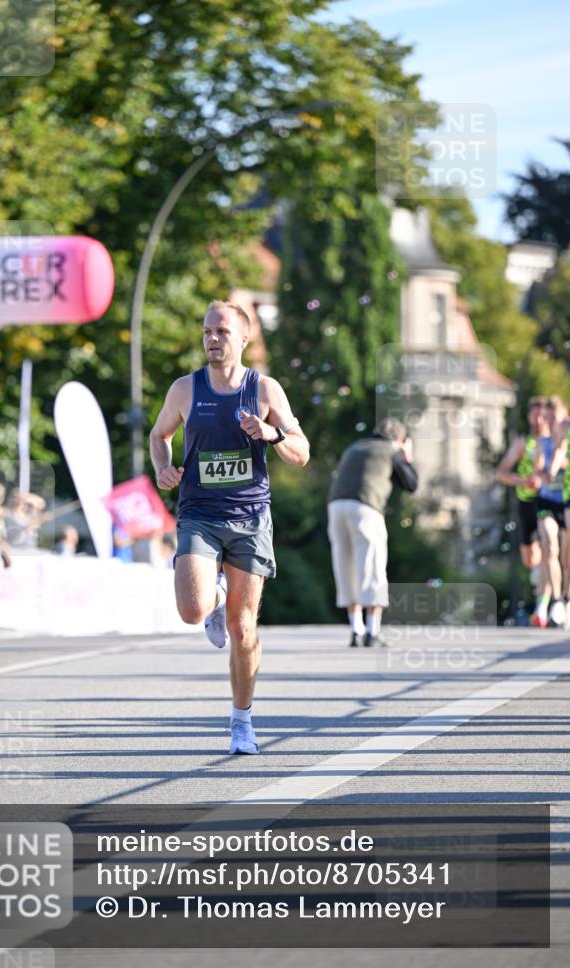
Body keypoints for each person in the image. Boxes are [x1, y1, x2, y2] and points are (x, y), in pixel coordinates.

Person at [149, 299, 309, 755]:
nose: (212, 339)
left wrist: (272, 433)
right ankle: (215, 594)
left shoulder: (265, 389)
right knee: (192, 610)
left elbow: (302, 451)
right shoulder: (185, 389)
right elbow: (159, 434)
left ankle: (242, 722)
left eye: (222, 331)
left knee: (244, 630)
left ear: (244, 338)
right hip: (199, 512)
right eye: (206, 332)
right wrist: (164, 467)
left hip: (250, 516)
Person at [327, 418, 418, 647]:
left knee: (345, 566)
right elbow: (411, 484)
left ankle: (355, 629)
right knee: (372, 566)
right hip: (365, 508)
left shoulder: (355, 446)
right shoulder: (392, 450)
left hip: (335, 507)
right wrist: (407, 457)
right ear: (399, 438)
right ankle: (372, 632)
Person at [495, 396, 548, 601]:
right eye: (534, 416)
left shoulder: (555, 442)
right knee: (530, 558)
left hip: (548, 500)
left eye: (542, 417)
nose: (538, 421)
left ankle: (552, 600)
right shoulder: (522, 443)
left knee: (550, 544)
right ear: (529, 417)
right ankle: (539, 575)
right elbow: (501, 473)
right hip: (526, 501)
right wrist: (522, 480)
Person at [530, 395, 568, 628]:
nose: (552, 422)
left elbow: (562, 454)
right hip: (547, 501)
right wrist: (545, 472)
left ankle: (567, 598)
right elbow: (539, 467)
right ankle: (555, 600)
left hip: (567, 500)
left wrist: (561, 465)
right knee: (550, 544)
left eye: (556, 418)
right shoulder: (542, 442)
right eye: (549, 418)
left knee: (567, 557)